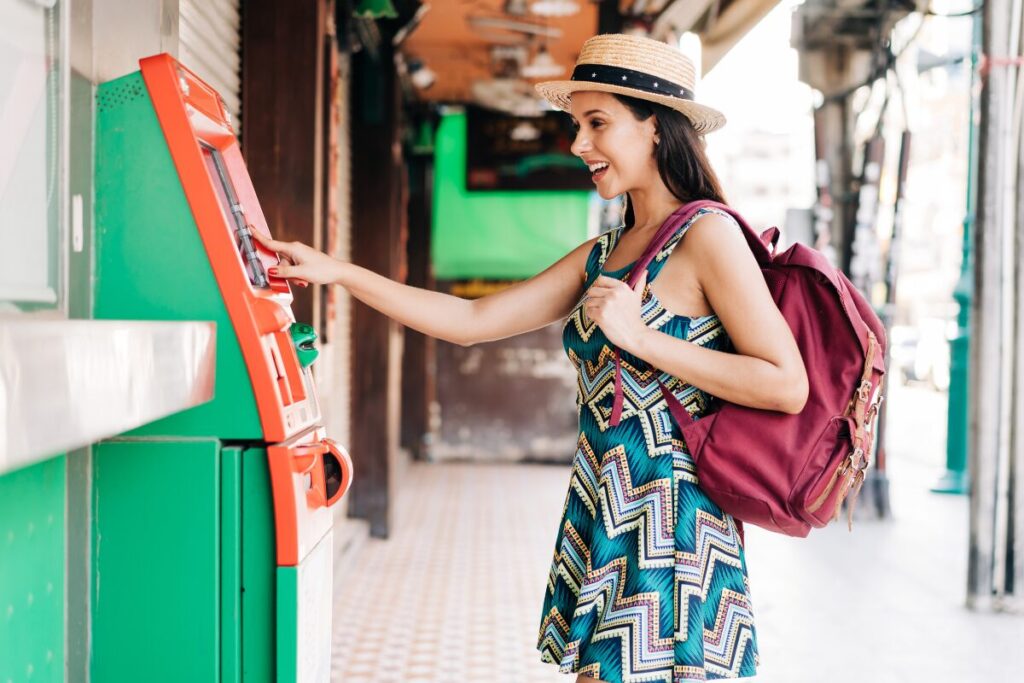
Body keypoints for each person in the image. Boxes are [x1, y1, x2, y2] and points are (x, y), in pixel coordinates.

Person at [252, 32, 806, 683]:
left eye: (597, 123)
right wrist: (341, 272)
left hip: (674, 531)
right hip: (605, 513)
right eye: (576, 125)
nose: (577, 144)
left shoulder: (709, 235)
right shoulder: (606, 253)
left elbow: (785, 383)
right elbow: (471, 322)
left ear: (656, 127)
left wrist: (642, 339)